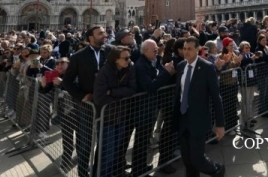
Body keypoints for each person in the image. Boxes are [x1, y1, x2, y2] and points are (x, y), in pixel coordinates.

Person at [173, 36, 225, 177]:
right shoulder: (181, 66)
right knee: (188, 161)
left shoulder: (207, 67)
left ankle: (217, 170)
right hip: (183, 118)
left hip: (199, 119)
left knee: (197, 159)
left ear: (198, 49)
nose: (186, 52)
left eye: (190, 49)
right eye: (184, 49)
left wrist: (220, 124)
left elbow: (216, 97)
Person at [63, 25, 108, 177]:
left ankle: (99, 171)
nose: (104, 35)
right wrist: (81, 96)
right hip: (86, 106)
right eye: (100, 33)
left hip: (107, 104)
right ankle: (83, 171)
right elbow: (67, 81)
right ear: (91, 37)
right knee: (86, 141)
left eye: (104, 32)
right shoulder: (78, 56)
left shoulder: (110, 51)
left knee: (104, 141)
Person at [131, 39, 175, 176]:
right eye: (154, 50)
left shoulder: (154, 61)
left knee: (145, 140)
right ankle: (138, 169)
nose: (157, 51)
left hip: (153, 105)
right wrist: (167, 72)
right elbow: (150, 86)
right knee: (141, 140)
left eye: (157, 49)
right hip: (143, 107)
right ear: (145, 51)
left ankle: (142, 166)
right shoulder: (140, 65)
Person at [93, 46, 136, 177]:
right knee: (106, 153)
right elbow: (99, 97)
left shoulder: (130, 68)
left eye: (129, 57)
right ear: (116, 60)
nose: (129, 60)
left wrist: (112, 92)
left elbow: (132, 90)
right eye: (126, 58)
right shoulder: (104, 72)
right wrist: (120, 96)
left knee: (115, 151)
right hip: (107, 118)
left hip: (121, 116)